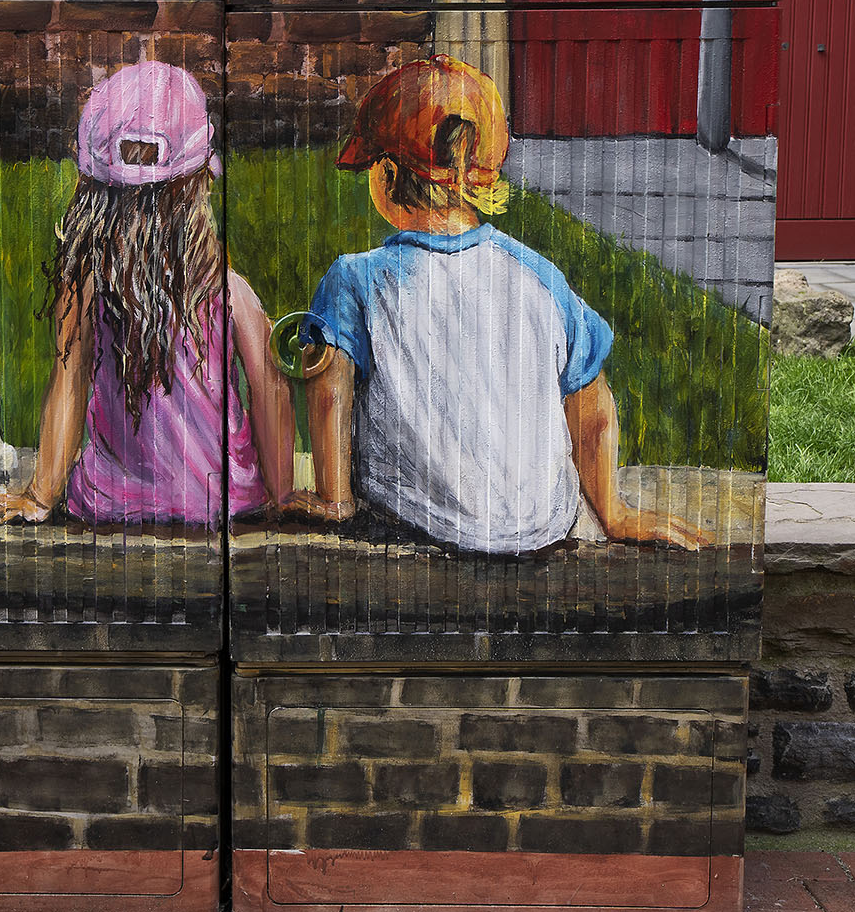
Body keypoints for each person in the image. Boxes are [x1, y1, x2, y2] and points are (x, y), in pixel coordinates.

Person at [287, 54, 708, 553]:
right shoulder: (540, 277)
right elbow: (592, 410)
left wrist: (336, 500)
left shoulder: (355, 278)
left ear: (387, 174)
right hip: (540, 525)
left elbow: (329, 392)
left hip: (417, 519)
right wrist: (613, 514)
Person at [0, 61, 292, 527]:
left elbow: (68, 385)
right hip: (223, 500)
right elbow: (270, 391)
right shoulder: (229, 292)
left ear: (92, 193)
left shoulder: (86, 285)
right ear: (199, 183)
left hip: (109, 501)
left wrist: (39, 497)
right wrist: (283, 496)